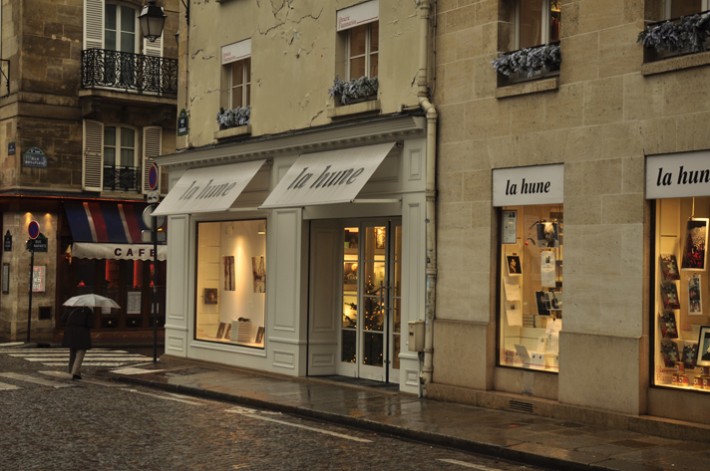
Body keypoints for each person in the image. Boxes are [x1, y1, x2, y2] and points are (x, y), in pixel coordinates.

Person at [62, 306, 93, 380]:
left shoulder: (70, 309)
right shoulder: (87, 310)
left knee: (72, 354)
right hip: (82, 334)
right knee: (80, 353)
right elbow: (90, 324)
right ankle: (75, 373)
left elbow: (63, 319)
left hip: (70, 333)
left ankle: (71, 371)